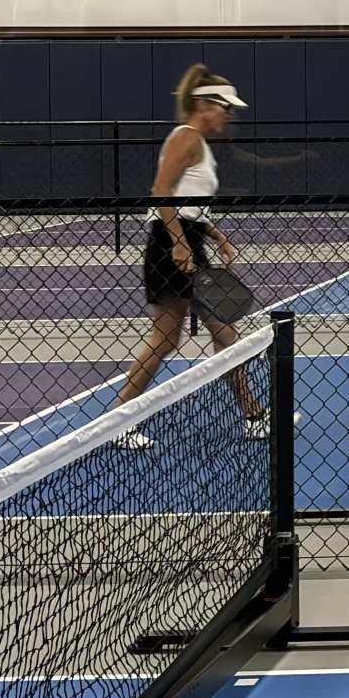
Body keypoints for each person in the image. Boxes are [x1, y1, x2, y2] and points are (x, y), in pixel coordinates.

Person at [109, 66, 270, 444]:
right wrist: (181, 243)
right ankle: (253, 415)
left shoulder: (198, 143)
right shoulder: (187, 137)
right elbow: (161, 191)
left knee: (175, 337)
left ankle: (117, 420)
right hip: (172, 246)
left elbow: (187, 203)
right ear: (202, 104)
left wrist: (215, 234)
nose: (227, 116)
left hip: (183, 240)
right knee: (215, 331)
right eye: (223, 108)